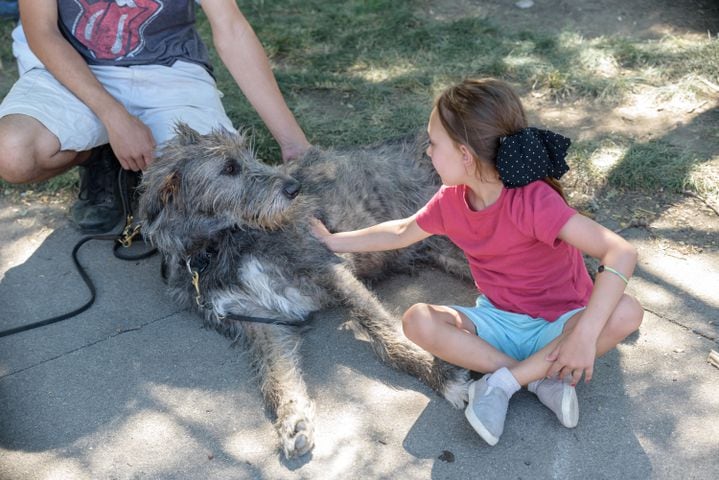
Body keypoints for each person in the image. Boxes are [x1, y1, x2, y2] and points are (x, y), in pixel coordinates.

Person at [311, 78, 643, 446]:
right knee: (418, 320)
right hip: (499, 322)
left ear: (465, 155)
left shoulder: (532, 200)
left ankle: (502, 383)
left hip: (562, 323)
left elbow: (621, 252)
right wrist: (333, 240)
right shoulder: (453, 200)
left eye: (433, 144)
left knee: (626, 312)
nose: (427, 153)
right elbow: (402, 231)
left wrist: (582, 335)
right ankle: (536, 377)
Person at [0, 0, 310, 233]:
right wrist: (113, 116)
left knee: (218, 185)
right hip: (75, 71)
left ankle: (140, 163)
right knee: (12, 153)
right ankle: (98, 158)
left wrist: (293, 143)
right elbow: (42, 32)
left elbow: (231, 28)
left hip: (169, 71)